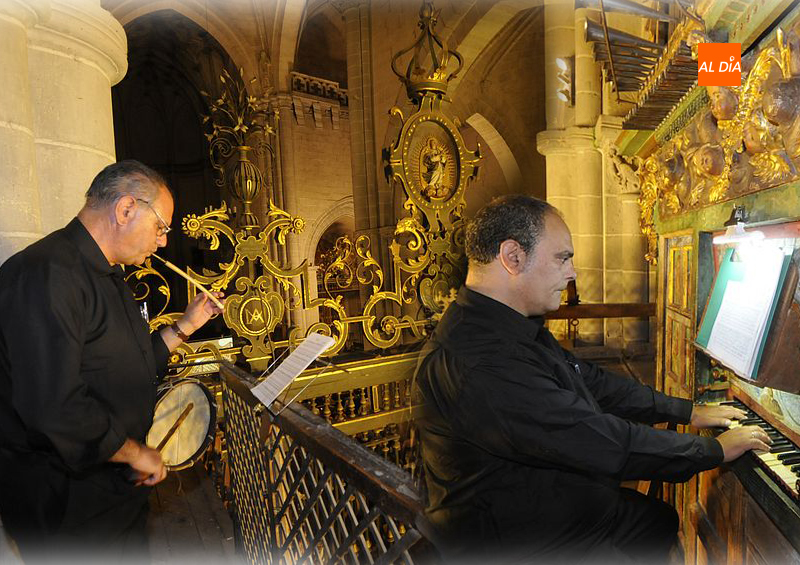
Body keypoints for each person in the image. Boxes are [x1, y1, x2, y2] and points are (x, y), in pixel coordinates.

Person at [412, 195, 772, 564]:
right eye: (562, 257)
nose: (572, 273)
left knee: (658, 521)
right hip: (518, 537)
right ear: (513, 257)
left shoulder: (507, 324)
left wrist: (687, 411)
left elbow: (593, 382)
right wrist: (714, 451)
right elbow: (599, 442)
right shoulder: (481, 362)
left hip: (545, 501)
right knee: (654, 525)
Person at [0, 160, 223, 562]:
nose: (161, 243)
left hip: (110, 488)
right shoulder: (47, 273)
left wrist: (186, 325)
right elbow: (55, 407)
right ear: (125, 210)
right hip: (67, 503)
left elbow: (129, 365)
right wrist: (136, 452)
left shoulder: (107, 275)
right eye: (161, 228)